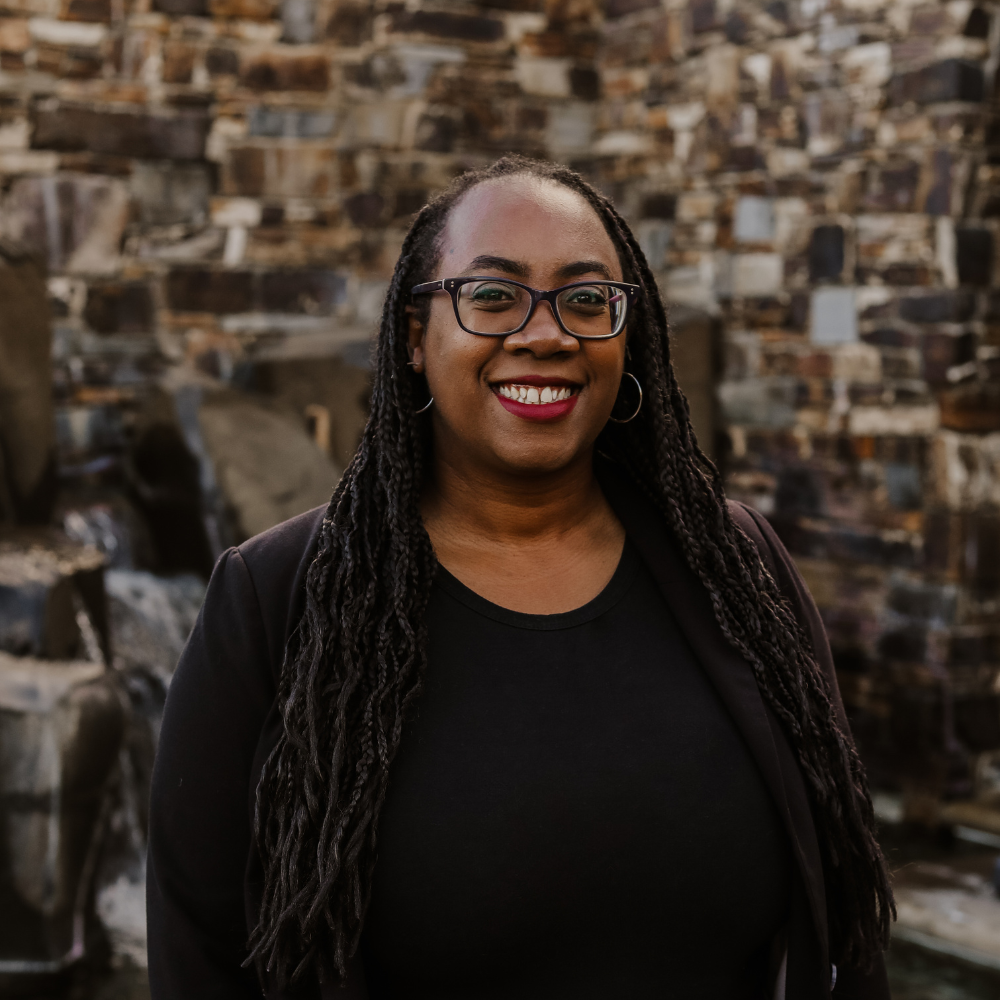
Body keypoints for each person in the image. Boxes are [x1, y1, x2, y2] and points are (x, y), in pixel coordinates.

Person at [147, 157, 893, 1000]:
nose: (547, 334)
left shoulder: (738, 569)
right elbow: (199, 951)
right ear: (414, 336)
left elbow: (847, 918)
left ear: (627, 334)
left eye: (587, 299)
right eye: (494, 295)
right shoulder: (274, 602)